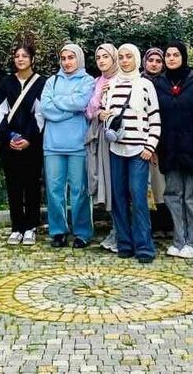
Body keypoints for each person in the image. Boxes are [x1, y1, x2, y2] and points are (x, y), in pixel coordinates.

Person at [153, 42, 193, 259]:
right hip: (169, 148)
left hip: (192, 148)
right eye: (168, 55)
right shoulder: (158, 83)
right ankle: (179, 240)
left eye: (175, 54)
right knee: (172, 195)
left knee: (191, 196)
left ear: (183, 57)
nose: (171, 58)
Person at [103, 44, 161, 263]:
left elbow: (154, 118)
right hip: (116, 148)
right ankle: (124, 243)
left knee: (138, 197)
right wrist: (103, 115)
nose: (125, 60)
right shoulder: (111, 84)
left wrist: (150, 146)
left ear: (136, 58)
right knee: (118, 197)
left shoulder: (145, 85)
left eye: (129, 56)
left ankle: (144, 246)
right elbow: (106, 113)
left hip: (138, 150)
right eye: (121, 57)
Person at [39, 43, 96, 248]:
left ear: (78, 59)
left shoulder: (88, 80)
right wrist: (70, 109)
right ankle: (58, 231)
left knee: (79, 190)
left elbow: (81, 103)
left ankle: (82, 232)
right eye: (63, 58)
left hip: (78, 144)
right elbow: (45, 107)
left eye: (71, 57)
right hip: (53, 145)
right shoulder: (51, 81)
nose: (67, 62)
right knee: (54, 190)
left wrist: (60, 104)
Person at [0, 42, 45, 245]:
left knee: (31, 185)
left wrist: (28, 139)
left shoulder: (41, 83)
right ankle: (17, 227)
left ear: (32, 59)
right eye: (16, 56)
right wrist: (9, 136)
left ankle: (31, 226)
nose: (20, 59)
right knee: (13, 185)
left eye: (24, 55)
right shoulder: (6, 83)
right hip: (10, 144)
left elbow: (41, 115)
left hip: (31, 144)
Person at [85, 43, 118, 251]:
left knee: (117, 185)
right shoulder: (97, 82)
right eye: (98, 58)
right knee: (106, 183)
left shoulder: (124, 79)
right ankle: (115, 230)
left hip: (119, 139)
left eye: (106, 56)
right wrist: (99, 107)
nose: (102, 61)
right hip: (100, 138)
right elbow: (89, 111)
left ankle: (121, 232)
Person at [142, 46, 171, 236]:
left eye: (158, 61)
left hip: (166, 140)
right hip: (145, 141)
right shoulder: (139, 82)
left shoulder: (167, 83)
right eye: (151, 60)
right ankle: (153, 225)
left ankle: (167, 224)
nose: (154, 64)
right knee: (150, 183)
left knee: (165, 185)